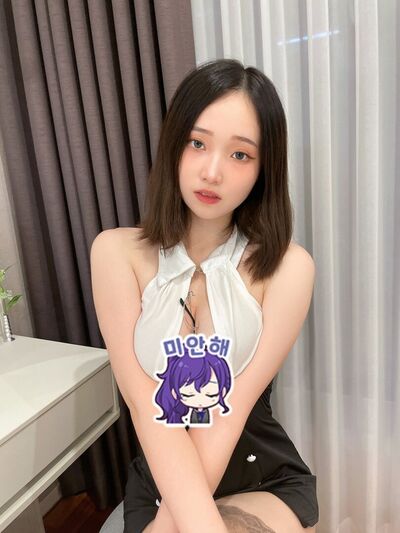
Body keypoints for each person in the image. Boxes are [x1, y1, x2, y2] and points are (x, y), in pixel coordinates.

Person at [91, 58, 319, 533]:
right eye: (197, 143)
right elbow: (144, 404)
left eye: (240, 155)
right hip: (162, 474)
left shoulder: (288, 267)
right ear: (174, 145)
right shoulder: (114, 252)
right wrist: (171, 520)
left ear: (263, 169)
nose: (212, 172)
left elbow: (231, 412)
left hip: (260, 472)